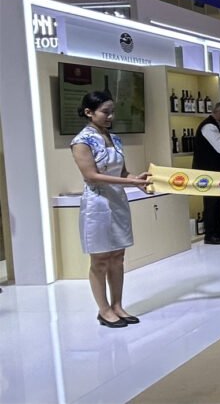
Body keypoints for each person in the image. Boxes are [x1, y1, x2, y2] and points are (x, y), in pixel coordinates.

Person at [70, 91, 150, 328]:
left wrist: (137, 179)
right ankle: (103, 310)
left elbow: (122, 172)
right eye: (105, 112)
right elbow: (92, 176)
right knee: (100, 260)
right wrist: (129, 182)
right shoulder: (81, 141)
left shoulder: (115, 139)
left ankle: (117, 305)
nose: (110, 116)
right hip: (97, 203)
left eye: (112, 112)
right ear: (89, 112)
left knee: (118, 257)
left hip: (117, 201)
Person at [193, 102, 220, 245]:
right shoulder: (209, 127)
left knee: (218, 202)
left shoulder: (218, 126)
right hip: (208, 172)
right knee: (211, 203)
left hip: (216, 171)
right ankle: (210, 234)